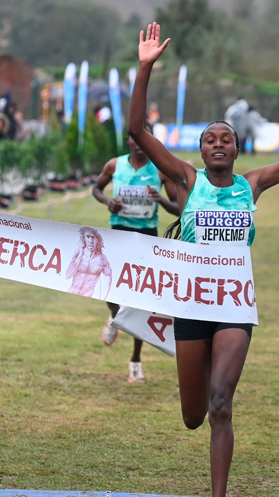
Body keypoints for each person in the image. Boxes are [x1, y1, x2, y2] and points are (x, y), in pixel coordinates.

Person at [129, 23, 279, 497]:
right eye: (209, 139)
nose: (217, 144)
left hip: (234, 307)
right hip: (190, 304)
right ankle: (210, 480)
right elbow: (138, 130)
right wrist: (144, 69)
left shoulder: (254, 184)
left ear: (235, 148)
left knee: (220, 404)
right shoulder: (186, 180)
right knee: (191, 416)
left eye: (225, 139)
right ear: (201, 149)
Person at [92, 125, 179, 383]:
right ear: (128, 139)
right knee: (108, 288)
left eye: (145, 136)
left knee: (142, 303)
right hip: (118, 233)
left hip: (146, 239)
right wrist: (107, 201)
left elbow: (179, 208)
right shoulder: (114, 165)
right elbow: (96, 189)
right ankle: (115, 316)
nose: (138, 142)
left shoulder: (161, 170)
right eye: (133, 136)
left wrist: (161, 200)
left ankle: (136, 362)